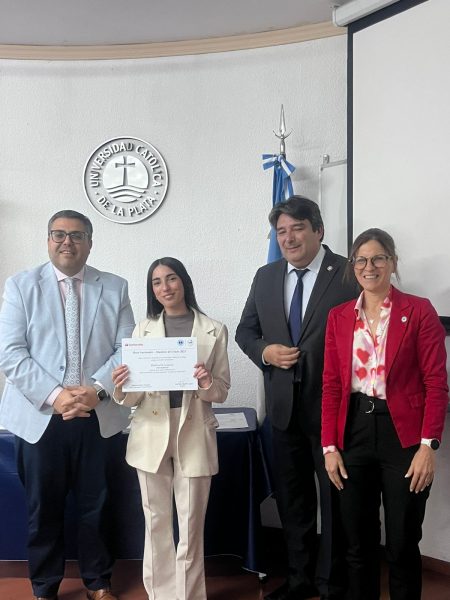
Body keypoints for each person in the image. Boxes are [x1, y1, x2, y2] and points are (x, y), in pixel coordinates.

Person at [0, 210, 135, 600]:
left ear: (90, 243)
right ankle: (44, 587)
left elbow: (127, 347)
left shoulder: (115, 287)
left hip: (97, 413)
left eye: (77, 235)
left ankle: (98, 582)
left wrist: (97, 389)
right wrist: (57, 395)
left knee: (98, 505)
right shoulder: (21, 286)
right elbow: (11, 353)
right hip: (40, 414)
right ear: (48, 240)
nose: (67, 242)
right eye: (58, 234)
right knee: (43, 508)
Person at [235, 196, 359, 600]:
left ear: (318, 230)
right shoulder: (266, 276)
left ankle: (332, 583)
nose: (288, 238)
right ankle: (299, 578)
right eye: (281, 231)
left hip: (336, 412)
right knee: (294, 501)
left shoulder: (348, 272)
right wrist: (265, 352)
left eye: (298, 228)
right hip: (284, 410)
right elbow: (246, 332)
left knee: (335, 501)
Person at [321, 228, 448, 600]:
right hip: (353, 433)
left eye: (378, 258)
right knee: (357, 544)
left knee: (402, 544)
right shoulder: (339, 317)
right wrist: (329, 447)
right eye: (361, 260)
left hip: (403, 436)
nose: (369, 266)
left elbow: (436, 383)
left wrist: (428, 446)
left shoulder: (419, 310)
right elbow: (331, 386)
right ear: (352, 266)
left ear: (392, 262)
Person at [112, 257, 230, 600]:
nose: (165, 287)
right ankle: (160, 595)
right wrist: (122, 385)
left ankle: (189, 595)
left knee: (191, 525)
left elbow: (221, 390)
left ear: (184, 282)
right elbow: (133, 397)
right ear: (152, 290)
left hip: (193, 431)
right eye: (157, 282)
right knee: (156, 522)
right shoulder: (142, 330)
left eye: (171, 278)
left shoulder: (214, 329)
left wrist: (206, 382)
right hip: (151, 431)